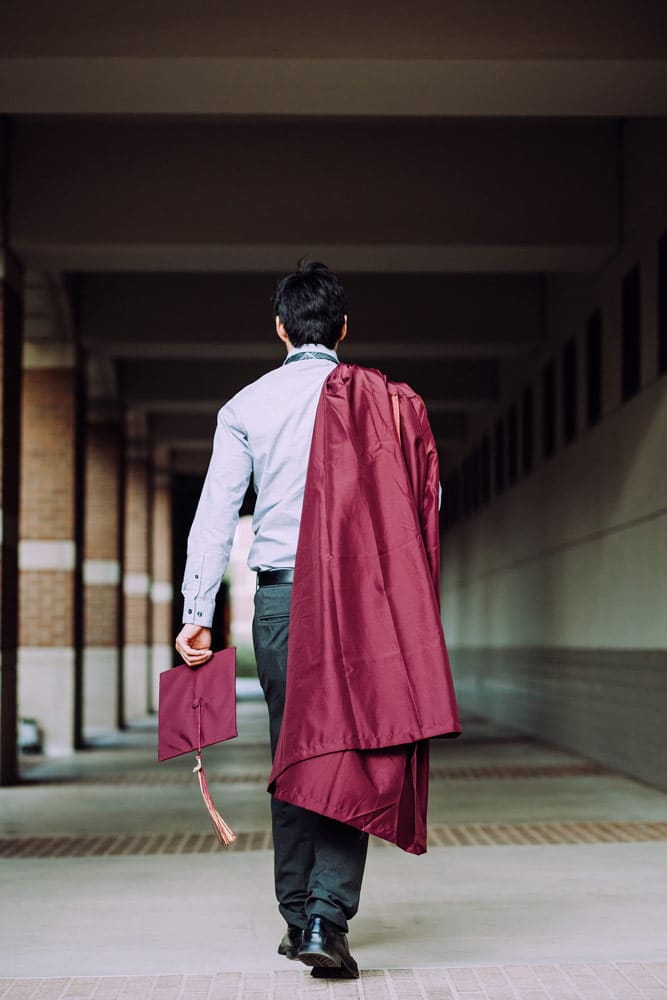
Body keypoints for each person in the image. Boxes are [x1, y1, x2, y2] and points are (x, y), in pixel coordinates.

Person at [175, 261, 460, 979]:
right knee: (354, 752)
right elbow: (422, 506)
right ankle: (324, 923)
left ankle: (298, 912)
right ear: (342, 328)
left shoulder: (245, 406)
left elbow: (214, 518)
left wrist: (196, 613)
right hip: (361, 604)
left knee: (296, 753)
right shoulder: (385, 403)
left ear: (278, 328)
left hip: (279, 602)